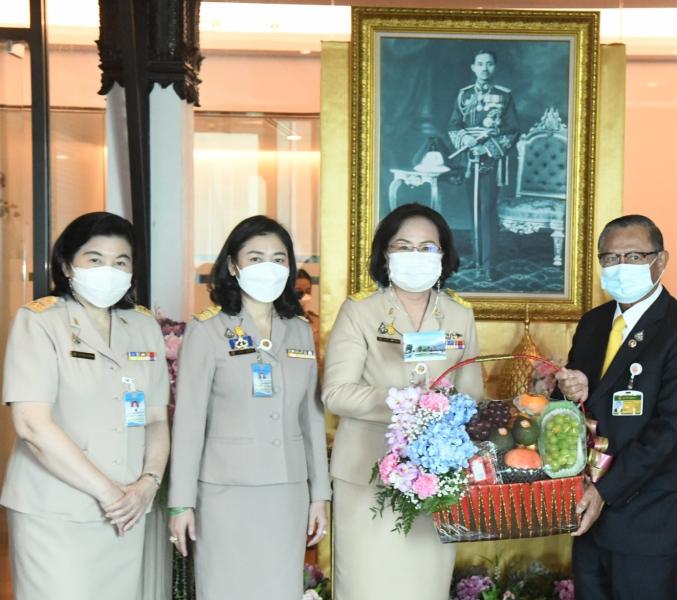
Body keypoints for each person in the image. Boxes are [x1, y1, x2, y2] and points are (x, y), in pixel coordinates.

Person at [1, 211, 170, 598]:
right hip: (56, 512)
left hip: (127, 510)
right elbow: (31, 425)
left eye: (120, 262)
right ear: (66, 265)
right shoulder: (40, 322)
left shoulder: (142, 326)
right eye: (95, 259)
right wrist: (108, 493)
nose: (109, 270)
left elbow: (156, 419)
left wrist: (148, 484)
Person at [324, 202, 483, 600]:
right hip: (366, 474)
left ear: (443, 255)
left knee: (424, 588)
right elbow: (336, 392)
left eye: (427, 247)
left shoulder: (459, 314)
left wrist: (446, 417)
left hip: (437, 478)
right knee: (366, 587)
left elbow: (472, 395)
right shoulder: (361, 311)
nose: (416, 256)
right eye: (403, 246)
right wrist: (405, 405)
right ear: (385, 254)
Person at [167, 215, 330, 600]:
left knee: (280, 589)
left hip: (287, 490)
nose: (268, 267)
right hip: (226, 492)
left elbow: (311, 416)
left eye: (278, 258)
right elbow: (189, 422)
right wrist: (180, 504)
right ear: (233, 265)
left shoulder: (299, 328)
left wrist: (319, 494)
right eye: (255, 258)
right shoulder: (208, 329)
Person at [555, 214, 677, 600]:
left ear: (660, 261)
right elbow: (580, 410)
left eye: (634, 256)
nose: (621, 266)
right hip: (591, 514)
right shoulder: (593, 324)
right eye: (610, 258)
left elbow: (670, 433)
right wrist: (568, 393)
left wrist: (604, 492)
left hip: (650, 518)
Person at [448, 49, 519, 277]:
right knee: (474, 208)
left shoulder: (504, 96)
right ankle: (477, 258)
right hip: (469, 159)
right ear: (473, 67)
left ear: (494, 67)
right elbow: (454, 125)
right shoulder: (464, 95)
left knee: (487, 210)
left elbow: (512, 130)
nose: (484, 68)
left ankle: (489, 265)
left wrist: (486, 148)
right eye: (480, 64)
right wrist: (465, 140)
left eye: (489, 64)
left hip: (491, 161)